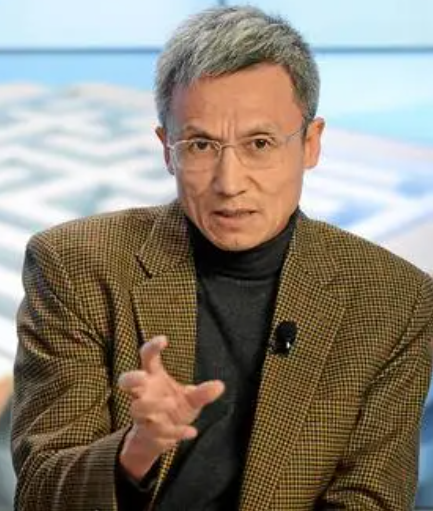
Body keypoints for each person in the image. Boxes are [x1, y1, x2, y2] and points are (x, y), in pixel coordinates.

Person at [11, 5, 433, 511]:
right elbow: (40, 490)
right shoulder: (75, 265)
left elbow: (370, 500)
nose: (229, 183)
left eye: (260, 143)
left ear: (310, 143)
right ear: (167, 149)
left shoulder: (396, 299)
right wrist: (136, 450)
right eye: (200, 145)